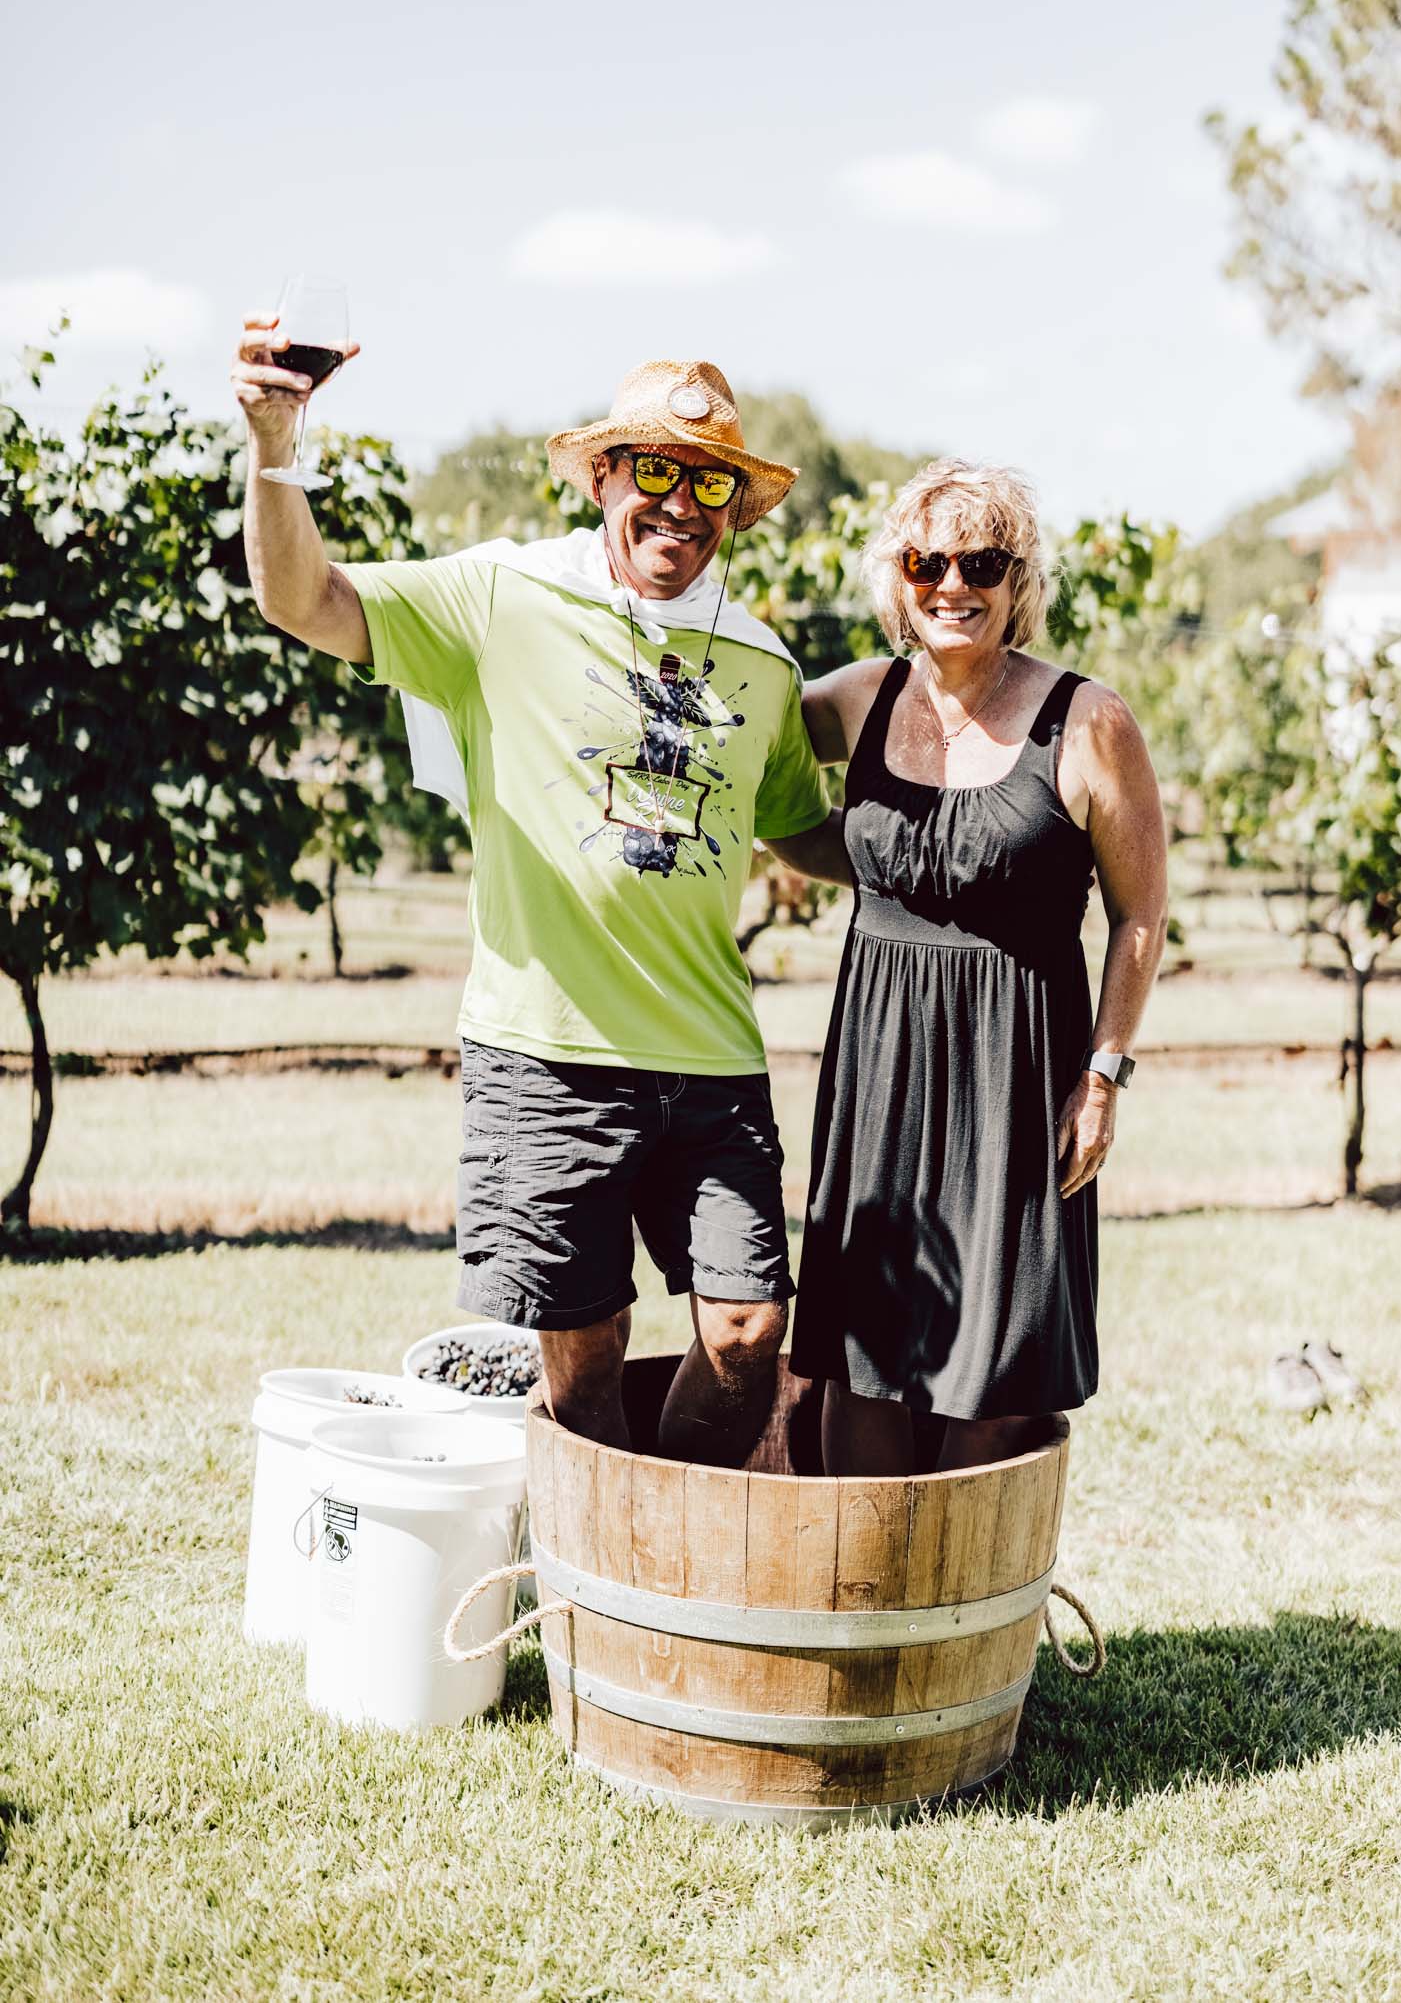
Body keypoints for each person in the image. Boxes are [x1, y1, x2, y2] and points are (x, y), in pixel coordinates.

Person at [233, 336, 845, 1461]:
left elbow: (802, 824)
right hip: (546, 1054)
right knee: (586, 1349)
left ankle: (678, 1577)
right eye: (652, 472)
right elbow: (302, 597)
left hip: (711, 1061)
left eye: (708, 480)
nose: (679, 504)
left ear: (737, 509)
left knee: (750, 1333)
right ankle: (602, 1600)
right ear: (604, 475)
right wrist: (275, 448)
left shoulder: (762, 665)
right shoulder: (503, 596)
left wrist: (956, 864)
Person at [789, 459, 1168, 1476]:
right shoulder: (855, 702)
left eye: (982, 562)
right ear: (897, 579)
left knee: (1000, 1367)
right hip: (879, 1071)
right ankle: (864, 1609)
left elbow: (1140, 918)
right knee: (862, 1357)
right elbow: (755, 765)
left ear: (1019, 581)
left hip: (1020, 1074)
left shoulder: (1089, 723)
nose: (952, 584)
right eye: (926, 561)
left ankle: (966, 1619)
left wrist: (1104, 1080)